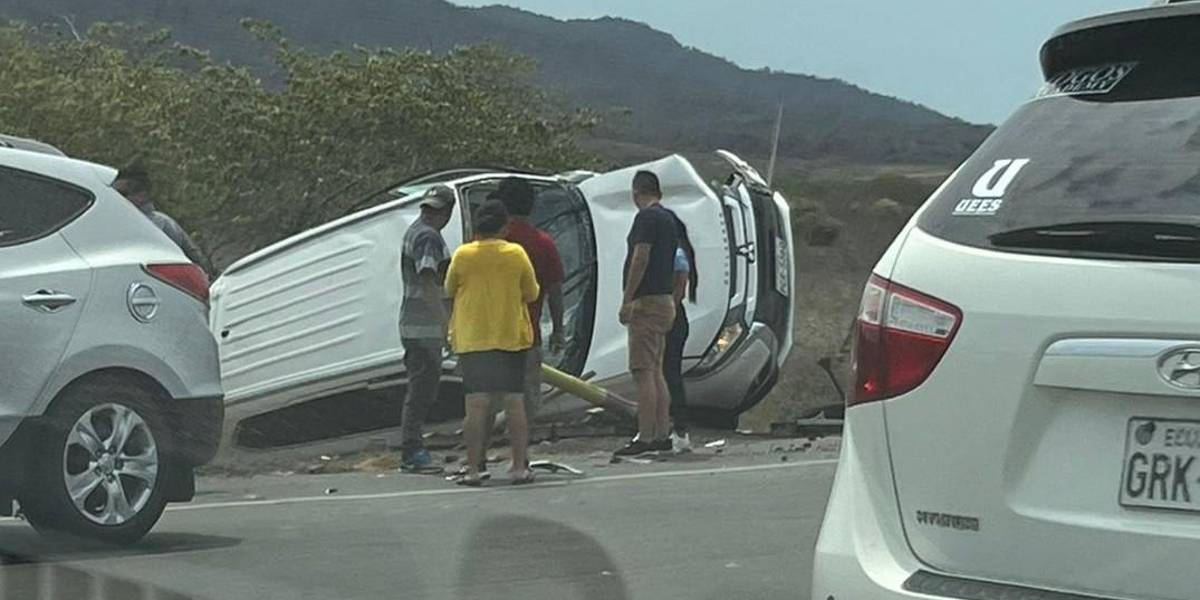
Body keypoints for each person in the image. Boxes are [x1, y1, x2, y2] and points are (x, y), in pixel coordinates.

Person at [445, 199, 540, 486]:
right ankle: (518, 467)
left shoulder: (462, 255)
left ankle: (474, 469)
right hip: (510, 336)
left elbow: (449, 289)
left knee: (475, 405)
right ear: (504, 225)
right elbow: (532, 292)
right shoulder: (516, 253)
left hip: (473, 339)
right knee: (514, 401)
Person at [616, 170, 678, 456]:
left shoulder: (646, 218)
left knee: (643, 370)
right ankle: (662, 431)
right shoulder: (669, 219)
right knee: (656, 369)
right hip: (665, 300)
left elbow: (641, 256)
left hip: (647, 301)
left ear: (637, 191)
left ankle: (646, 435)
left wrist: (628, 298)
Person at [397, 185, 456, 473]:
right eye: (428, 208)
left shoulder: (416, 231)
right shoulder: (427, 237)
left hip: (413, 323)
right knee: (422, 390)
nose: (431, 213)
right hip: (423, 326)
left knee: (421, 387)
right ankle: (412, 451)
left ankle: (413, 446)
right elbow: (429, 282)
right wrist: (445, 325)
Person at [496, 178, 566, 420]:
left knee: (489, 402)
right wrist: (558, 330)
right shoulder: (544, 243)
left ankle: (483, 451)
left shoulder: (486, 243)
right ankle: (520, 453)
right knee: (526, 405)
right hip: (528, 335)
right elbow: (555, 291)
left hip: (489, 335)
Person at [113, 166, 211, 274]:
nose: (115, 198)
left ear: (142, 195)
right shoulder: (123, 225)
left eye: (122, 194)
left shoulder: (158, 225)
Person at [665, 217, 699, 454]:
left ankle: (679, 428)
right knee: (668, 374)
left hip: (673, 320)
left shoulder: (676, 255)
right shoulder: (680, 253)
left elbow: (678, 292)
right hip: (675, 318)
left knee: (670, 375)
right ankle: (674, 426)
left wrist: (667, 314)